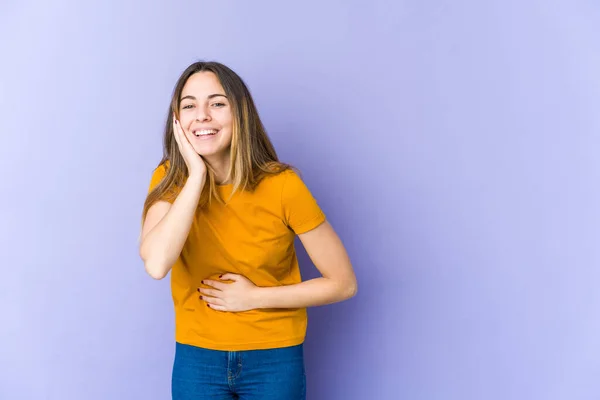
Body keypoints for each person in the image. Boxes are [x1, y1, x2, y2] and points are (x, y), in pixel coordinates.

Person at [139, 61, 357, 400]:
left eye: (217, 103)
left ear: (240, 113)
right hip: (198, 358)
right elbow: (156, 264)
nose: (203, 115)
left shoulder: (282, 185)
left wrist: (254, 298)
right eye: (190, 105)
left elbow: (343, 283)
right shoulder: (170, 180)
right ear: (177, 120)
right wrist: (196, 176)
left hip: (274, 357)